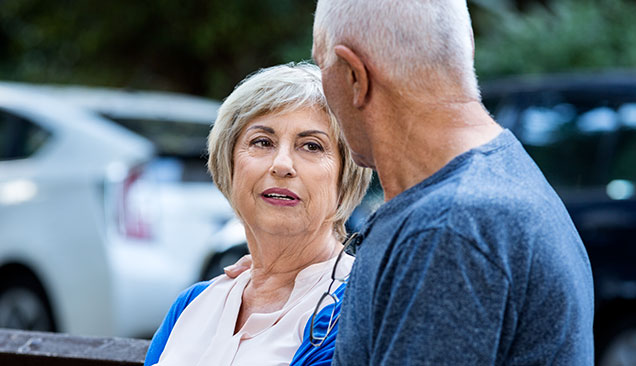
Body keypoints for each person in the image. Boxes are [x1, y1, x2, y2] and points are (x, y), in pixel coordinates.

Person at [309, 0, 595, 364]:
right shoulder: (501, 176)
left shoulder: (449, 228)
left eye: (322, 66)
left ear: (354, 76)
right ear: (467, 46)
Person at [143, 62, 372, 366]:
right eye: (262, 142)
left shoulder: (354, 309)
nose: (282, 164)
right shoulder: (192, 305)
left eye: (312, 146)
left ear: (346, 178)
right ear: (230, 165)